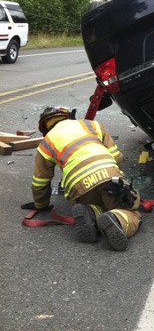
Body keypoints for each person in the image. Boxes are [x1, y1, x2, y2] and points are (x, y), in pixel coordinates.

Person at [20, 106, 141, 251]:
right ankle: (118, 219)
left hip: (79, 188)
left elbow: (40, 181)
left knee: (97, 203)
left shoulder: (46, 143)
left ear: (46, 127)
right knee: (130, 206)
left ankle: (91, 213)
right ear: (69, 116)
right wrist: (117, 178)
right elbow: (117, 157)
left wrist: (41, 205)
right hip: (109, 179)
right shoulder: (92, 125)